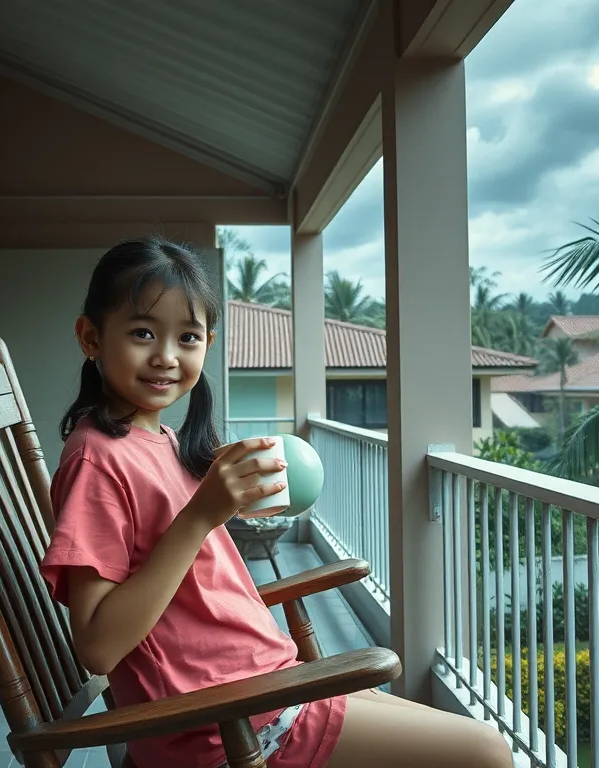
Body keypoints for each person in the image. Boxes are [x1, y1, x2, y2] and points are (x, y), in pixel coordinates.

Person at [40, 238, 513, 768]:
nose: (167, 356)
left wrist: (223, 505)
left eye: (188, 336)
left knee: (476, 738)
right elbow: (100, 646)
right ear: (91, 337)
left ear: (207, 345)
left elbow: (179, 568)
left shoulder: (161, 443)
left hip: (260, 688)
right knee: (485, 752)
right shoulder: (96, 459)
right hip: (223, 721)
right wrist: (200, 516)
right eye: (143, 332)